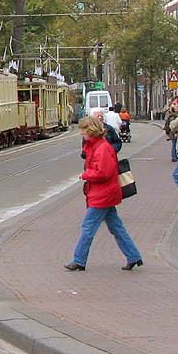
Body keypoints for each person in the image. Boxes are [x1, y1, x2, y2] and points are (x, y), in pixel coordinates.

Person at [64, 116, 143, 272]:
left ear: (90, 130)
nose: (81, 133)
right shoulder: (98, 146)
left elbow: (103, 173)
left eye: (83, 130)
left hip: (102, 194)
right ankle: (133, 256)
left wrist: (85, 175)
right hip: (104, 193)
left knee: (88, 227)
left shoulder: (102, 148)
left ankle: (79, 260)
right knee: (116, 227)